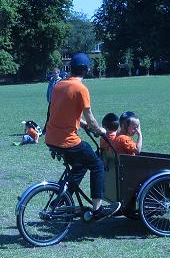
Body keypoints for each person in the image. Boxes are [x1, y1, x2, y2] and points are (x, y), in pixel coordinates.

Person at [45, 52, 121, 220]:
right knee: (97, 164)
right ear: (86, 70)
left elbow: (61, 113)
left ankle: (61, 201)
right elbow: (90, 118)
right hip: (67, 140)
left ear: (71, 68)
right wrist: (100, 130)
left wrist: (83, 125)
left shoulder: (59, 85)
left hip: (51, 138)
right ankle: (98, 209)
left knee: (79, 166)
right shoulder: (81, 88)